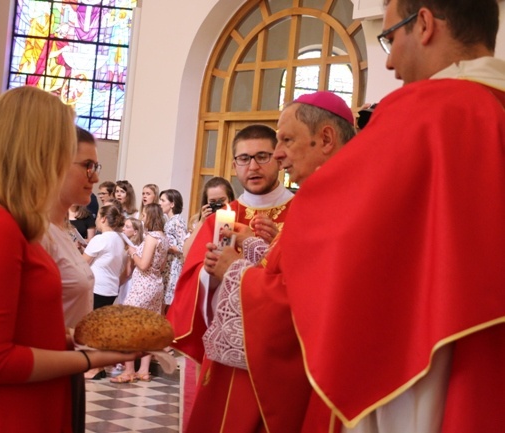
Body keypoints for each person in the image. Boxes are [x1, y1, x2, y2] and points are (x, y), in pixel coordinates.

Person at [282, 1, 505, 431]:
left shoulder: (427, 112)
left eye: (389, 37)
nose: (388, 60)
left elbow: (330, 227)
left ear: (423, 24)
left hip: (432, 357)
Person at [0, 86, 140, 433]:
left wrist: (85, 339)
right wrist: (93, 358)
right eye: (63, 149)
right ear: (36, 151)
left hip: (28, 405)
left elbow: (26, 328)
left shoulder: (10, 220)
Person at [193, 92, 356, 433]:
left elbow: (304, 303)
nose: (278, 155)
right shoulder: (326, 195)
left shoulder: (337, 202)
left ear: (325, 138)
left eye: (285, 141)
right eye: (244, 158)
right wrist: (253, 246)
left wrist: (235, 271)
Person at [167, 124, 293, 364]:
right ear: (235, 166)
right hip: (226, 350)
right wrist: (211, 274)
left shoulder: (302, 211)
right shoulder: (220, 219)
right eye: (244, 158)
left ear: (278, 159)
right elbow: (191, 278)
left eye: (262, 157)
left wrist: (275, 245)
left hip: (281, 350)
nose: (253, 166)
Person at [41, 126, 100, 433]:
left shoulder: (61, 231)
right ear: (54, 165)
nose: (95, 176)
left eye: (96, 166)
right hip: (43, 371)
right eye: (86, 166)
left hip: (69, 365)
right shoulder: (37, 234)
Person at [111, 203, 169, 384]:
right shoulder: (164, 238)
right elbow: (160, 265)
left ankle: (129, 370)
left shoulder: (152, 237)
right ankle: (143, 370)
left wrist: (133, 253)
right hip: (156, 285)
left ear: (150, 216)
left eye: (144, 214)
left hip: (143, 286)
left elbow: (143, 265)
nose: (142, 218)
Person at [183, 177, 236, 258]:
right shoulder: (198, 221)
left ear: (230, 199)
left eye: (222, 200)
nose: (218, 205)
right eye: (213, 202)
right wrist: (202, 222)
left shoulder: (237, 220)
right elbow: (186, 253)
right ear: (206, 202)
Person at [159, 189, 187, 311]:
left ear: (172, 204)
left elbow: (183, 246)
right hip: (168, 266)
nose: (159, 203)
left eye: (162, 200)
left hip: (174, 266)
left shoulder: (177, 220)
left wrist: (166, 247)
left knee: (169, 305)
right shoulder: (169, 220)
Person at [115, 217, 144, 306]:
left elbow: (128, 272)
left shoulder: (133, 248)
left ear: (135, 232)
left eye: (127, 227)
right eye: (124, 226)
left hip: (127, 284)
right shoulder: (127, 245)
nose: (123, 228)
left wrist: (116, 285)